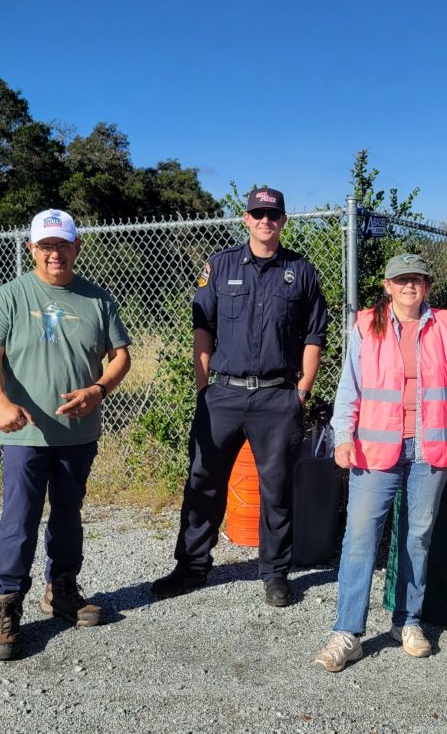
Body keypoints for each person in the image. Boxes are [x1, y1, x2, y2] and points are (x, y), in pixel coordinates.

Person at [152, 187, 328, 607]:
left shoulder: (300, 271)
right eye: (257, 214)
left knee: (277, 490)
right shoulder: (221, 264)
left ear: (283, 221)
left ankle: (275, 574)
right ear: (245, 219)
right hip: (224, 395)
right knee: (203, 483)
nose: (265, 221)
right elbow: (202, 328)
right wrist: (202, 387)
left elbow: (315, 335)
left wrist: (301, 392)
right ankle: (191, 568)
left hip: (277, 398)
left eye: (273, 215)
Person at [313, 253, 447, 673]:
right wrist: (343, 435)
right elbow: (348, 386)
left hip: (431, 451)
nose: (410, 286)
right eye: (401, 280)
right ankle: (347, 632)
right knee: (359, 540)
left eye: (417, 280)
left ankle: (407, 622)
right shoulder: (367, 325)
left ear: (427, 286)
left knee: (417, 538)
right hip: (375, 451)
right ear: (387, 286)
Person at [0, 209, 132, 661]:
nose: (54, 254)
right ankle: (5, 604)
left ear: (76, 247)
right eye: (45, 246)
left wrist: (98, 389)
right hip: (24, 435)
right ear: (32, 250)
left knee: (68, 515)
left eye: (62, 245)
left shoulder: (97, 300)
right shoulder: (9, 297)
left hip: (77, 433)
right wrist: (1, 405)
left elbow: (121, 356)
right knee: (19, 520)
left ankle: (61, 589)